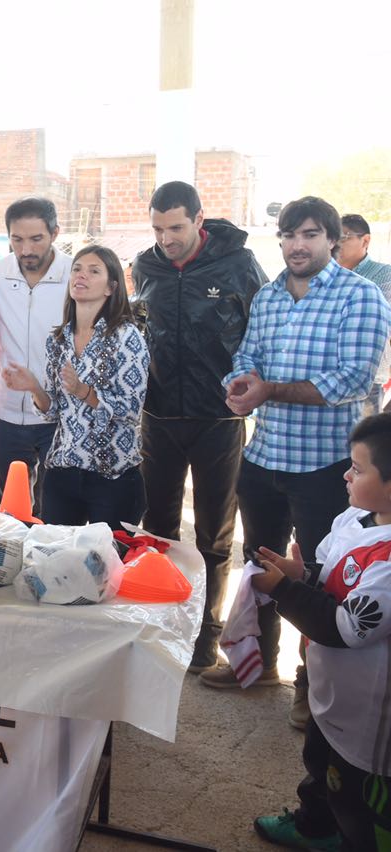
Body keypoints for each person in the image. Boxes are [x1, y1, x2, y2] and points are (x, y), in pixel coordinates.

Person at [205, 198, 391, 728]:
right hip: (264, 456)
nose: (296, 245)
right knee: (259, 563)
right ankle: (257, 663)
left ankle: (311, 687)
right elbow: (247, 357)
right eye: (288, 235)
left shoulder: (360, 295)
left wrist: (269, 390)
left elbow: (353, 379)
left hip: (327, 465)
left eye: (309, 234)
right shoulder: (268, 295)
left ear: (332, 239)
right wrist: (240, 386)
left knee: (323, 579)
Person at [130, 181, 266, 674]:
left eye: (176, 228)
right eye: (157, 229)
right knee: (158, 530)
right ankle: (163, 624)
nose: (166, 239)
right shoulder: (145, 266)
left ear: (199, 219)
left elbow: (263, 329)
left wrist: (253, 384)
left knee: (214, 534)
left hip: (219, 419)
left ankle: (207, 636)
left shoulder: (238, 264)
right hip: (159, 418)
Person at [250, 414, 391, 851]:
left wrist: (284, 590)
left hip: (371, 714)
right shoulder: (355, 517)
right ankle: (316, 825)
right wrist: (302, 574)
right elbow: (330, 574)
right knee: (321, 757)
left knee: (357, 794)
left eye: (358, 469)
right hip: (333, 688)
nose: (346, 474)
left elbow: (347, 627)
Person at [2, 246, 148, 527]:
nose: (81, 276)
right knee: (56, 552)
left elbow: (131, 410)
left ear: (111, 287)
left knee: (109, 556)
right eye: (77, 269)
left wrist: (85, 392)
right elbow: (52, 412)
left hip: (113, 476)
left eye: (94, 271)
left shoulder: (126, 336)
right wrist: (34, 388)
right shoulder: (58, 339)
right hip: (63, 471)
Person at [0, 197, 71, 516]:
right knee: (10, 512)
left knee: (58, 512)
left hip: (60, 414)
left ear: (55, 233)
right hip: (6, 413)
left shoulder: (76, 274)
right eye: (17, 239)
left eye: (36, 239)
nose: (26, 249)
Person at [335, 214, 391, 418]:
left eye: (343, 237)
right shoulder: (323, 276)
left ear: (365, 240)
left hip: (367, 378)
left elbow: (380, 322)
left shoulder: (385, 275)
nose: (335, 244)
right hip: (326, 377)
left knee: (365, 436)